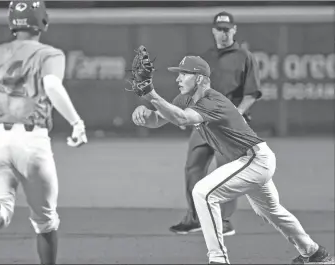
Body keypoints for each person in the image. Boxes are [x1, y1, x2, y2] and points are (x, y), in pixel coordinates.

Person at [131, 55, 332, 264]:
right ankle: (314, 252)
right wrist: (144, 113)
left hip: (253, 160)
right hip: (250, 161)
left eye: (183, 74)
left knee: (203, 192)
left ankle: (218, 259)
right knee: (272, 211)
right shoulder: (185, 99)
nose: (178, 79)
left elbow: (182, 118)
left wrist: (151, 94)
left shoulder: (212, 100)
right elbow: (158, 119)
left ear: (199, 79)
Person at [0, 1, 87, 264]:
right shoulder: (49, 54)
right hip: (32, 140)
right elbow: (51, 85)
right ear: (43, 22)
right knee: (46, 224)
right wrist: (76, 122)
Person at [169, 11, 262, 235]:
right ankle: (195, 218)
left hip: (229, 126)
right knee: (193, 167)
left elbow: (252, 93)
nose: (223, 33)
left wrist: (237, 112)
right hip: (203, 122)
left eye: (227, 29)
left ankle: (224, 220)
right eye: (219, 29)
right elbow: (194, 90)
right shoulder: (204, 59)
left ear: (234, 30)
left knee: (226, 172)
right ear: (213, 31)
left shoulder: (245, 57)